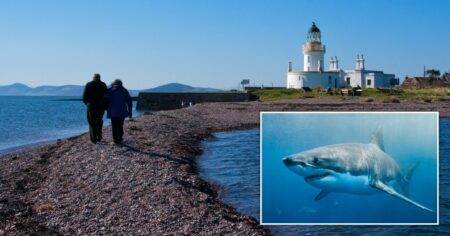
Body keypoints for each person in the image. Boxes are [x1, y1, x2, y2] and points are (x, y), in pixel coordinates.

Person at [105, 79, 132, 144]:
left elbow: (105, 100)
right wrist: (130, 111)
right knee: (120, 125)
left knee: (114, 126)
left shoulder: (109, 90)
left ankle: (115, 140)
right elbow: (129, 101)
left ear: (113, 83)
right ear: (121, 84)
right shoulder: (124, 90)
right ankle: (120, 139)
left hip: (113, 111)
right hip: (122, 111)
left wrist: (106, 108)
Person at [82, 73, 107, 143]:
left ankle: (93, 139)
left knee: (92, 122)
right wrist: (105, 106)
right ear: (99, 77)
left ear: (93, 77)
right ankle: (99, 137)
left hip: (91, 107)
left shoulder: (89, 84)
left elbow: (84, 97)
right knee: (99, 121)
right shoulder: (103, 85)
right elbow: (106, 96)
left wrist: (87, 104)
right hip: (101, 107)